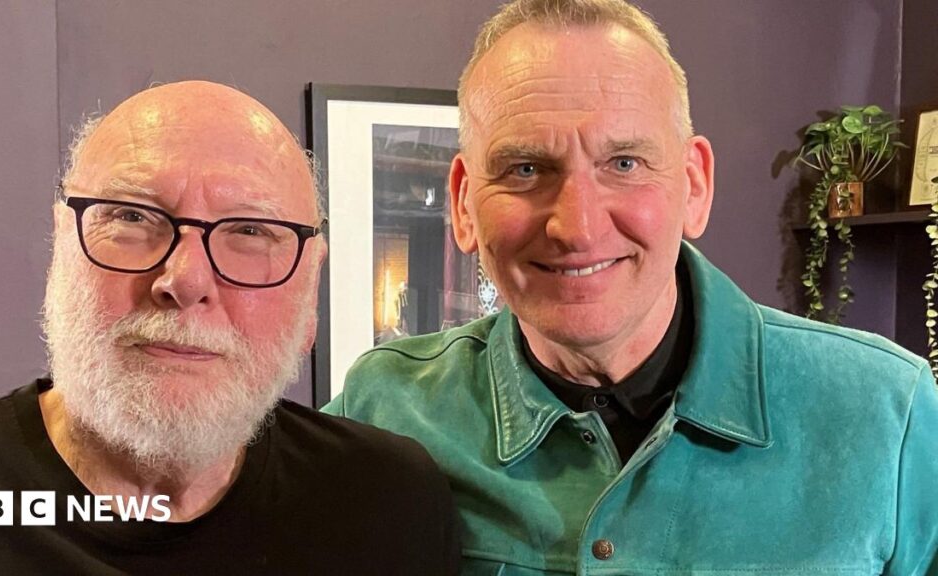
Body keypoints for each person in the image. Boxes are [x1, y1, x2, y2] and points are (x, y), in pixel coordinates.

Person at [324, 1, 938, 574]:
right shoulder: (386, 409)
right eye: (527, 169)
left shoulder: (890, 415)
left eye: (624, 164)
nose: (577, 227)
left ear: (694, 186)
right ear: (462, 203)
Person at [0, 81, 459, 574]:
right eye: (131, 216)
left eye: (250, 229)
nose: (185, 279)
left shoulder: (388, 503)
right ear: (63, 248)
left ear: (310, 286)